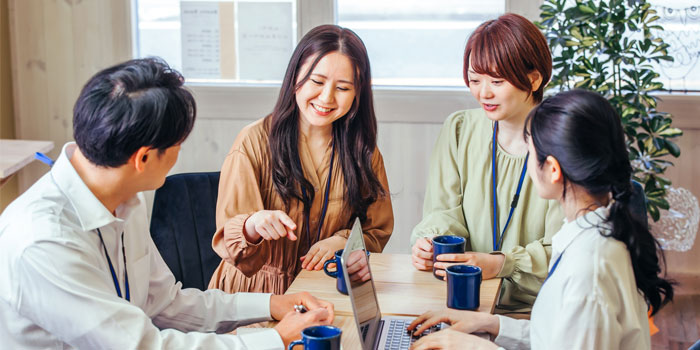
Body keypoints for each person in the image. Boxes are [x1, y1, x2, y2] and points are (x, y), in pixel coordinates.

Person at [0, 58, 335, 349]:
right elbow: (144, 346)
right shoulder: (43, 241)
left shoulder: (124, 200)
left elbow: (167, 304)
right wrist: (276, 339)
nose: (180, 152)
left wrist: (272, 304)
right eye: (178, 143)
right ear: (144, 158)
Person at [407, 89, 674, 349]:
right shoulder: (589, 235)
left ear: (553, 170)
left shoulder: (589, 271)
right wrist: (490, 323)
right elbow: (557, 338)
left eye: (530, 153)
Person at [208, 24, 393, 295]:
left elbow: (377, 231)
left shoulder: (363, 150)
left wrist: (341, 242)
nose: (327, 97)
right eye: (317, 82)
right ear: (295, 76)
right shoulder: (253, 142)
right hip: (254, 295)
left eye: (342, 88)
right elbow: (230, 245)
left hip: (325, 291)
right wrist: (254, 225)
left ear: (357, 94)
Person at [410, 13, 564, 312]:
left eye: (497, 80)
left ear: (534, 79)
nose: (483, 93)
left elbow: (565, 249)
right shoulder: (459, 130)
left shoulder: (561, 143)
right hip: (463, 300)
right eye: (475, 79)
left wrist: (502, 263)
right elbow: (443, 212)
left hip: (539, 310)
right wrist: (429, 244)